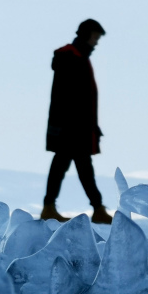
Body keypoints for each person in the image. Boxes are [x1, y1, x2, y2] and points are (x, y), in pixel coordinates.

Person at [40, 19, 113, 224]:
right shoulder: (71, 57)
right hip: (71, 127)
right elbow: (69, 97)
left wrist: (92, 126)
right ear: (87, 35)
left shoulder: (78, 57)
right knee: (77, 167)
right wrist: (78, 125)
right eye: (96, 37)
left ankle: (52, 207)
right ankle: (96, 209)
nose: (96, 42)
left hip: (75, 126)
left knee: (69, 166)